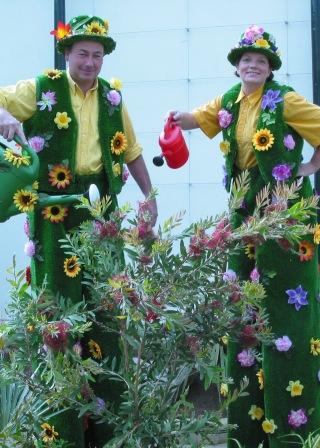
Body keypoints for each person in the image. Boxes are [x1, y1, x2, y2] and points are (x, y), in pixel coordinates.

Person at [0, 14, 157, 447]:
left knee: (106, 308)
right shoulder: (40, 88)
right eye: (83, 53)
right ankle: (63, 429)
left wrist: (149, 194)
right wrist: (5, 117)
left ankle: (106, 424)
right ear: (66, 53)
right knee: (59, 310)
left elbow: (134, 150)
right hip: (53, 212)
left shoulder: (112, 99)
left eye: (98, 55)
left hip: (101, 211)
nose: (91, 62)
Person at [168, 25, 320, 448]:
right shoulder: (229, 101)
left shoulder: (286, 100)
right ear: (237, 67)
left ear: (270, 68)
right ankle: (249, 428)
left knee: (284, 303)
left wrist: (308, 170)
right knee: (244, 308)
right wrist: (177, 118)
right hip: (243, 212)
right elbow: (198, 118)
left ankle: (292, 428)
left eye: (261, 61)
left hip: (285, 214)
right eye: (246, 60)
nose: (252, 66)